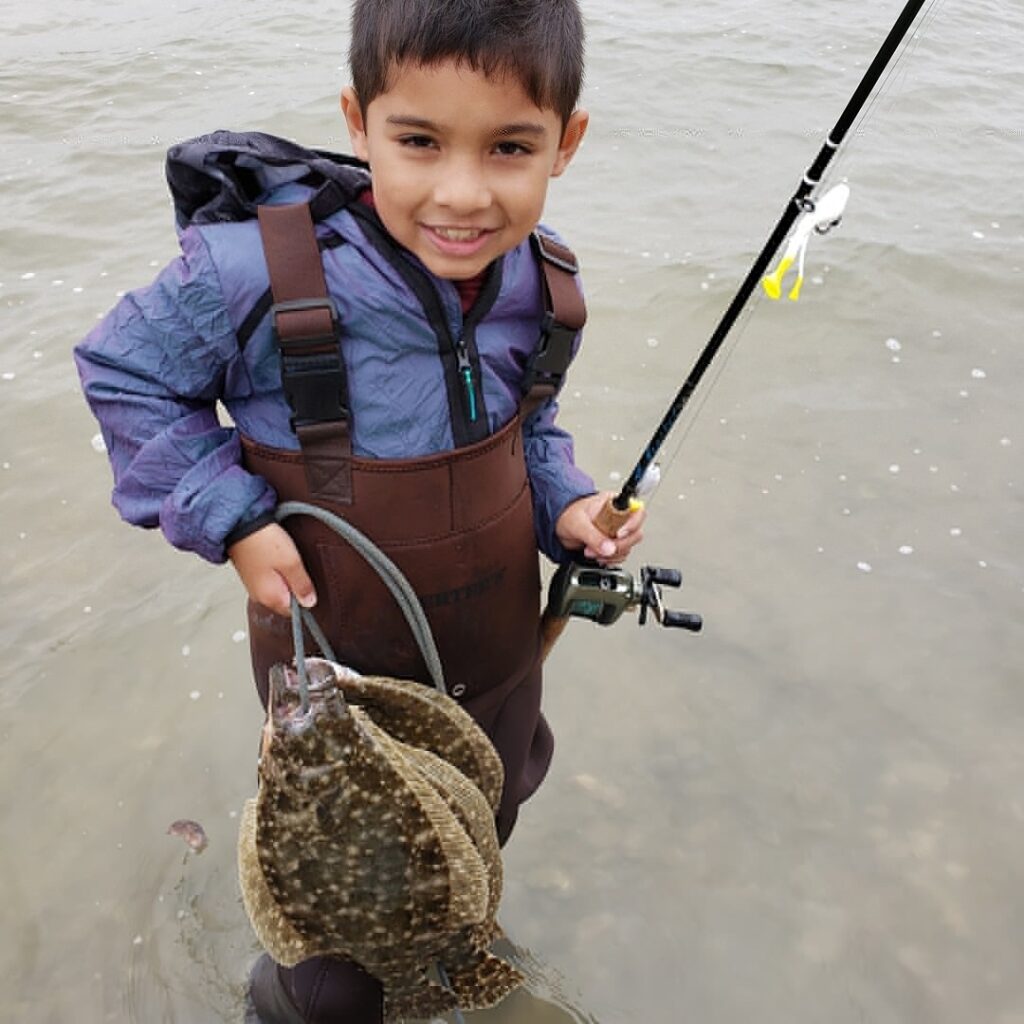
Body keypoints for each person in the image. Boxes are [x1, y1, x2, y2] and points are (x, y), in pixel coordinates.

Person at [75, 0, 645, 1020]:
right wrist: (235, 518)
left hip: (499, 656)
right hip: (339, 673)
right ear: (357, 121)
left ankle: (453, 940)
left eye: (510, 147)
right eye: (418, 141)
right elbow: (125, 374)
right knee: (333, 958)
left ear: (567, 143)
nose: (461, 194)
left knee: (486, 815)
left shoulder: (543, 283)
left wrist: (571, 506)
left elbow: (531, 428)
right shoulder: (250, 270)